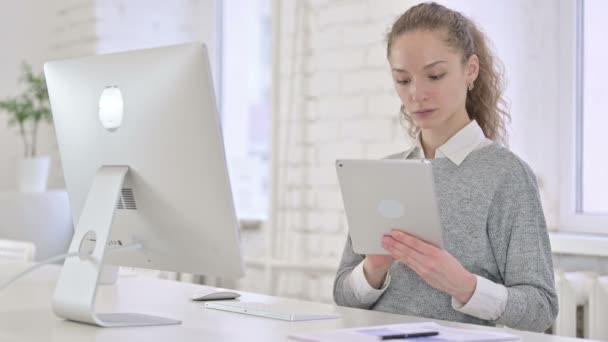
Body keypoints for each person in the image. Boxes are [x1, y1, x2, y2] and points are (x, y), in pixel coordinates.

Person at [333, 2, 558, 332]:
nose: (416, 94)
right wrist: (374, 268)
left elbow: (541, 309)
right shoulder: (384, 174)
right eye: (403, 79)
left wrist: (464, 286)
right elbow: (342, 295)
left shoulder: (507, 176)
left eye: (435, 76)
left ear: (470, 70)